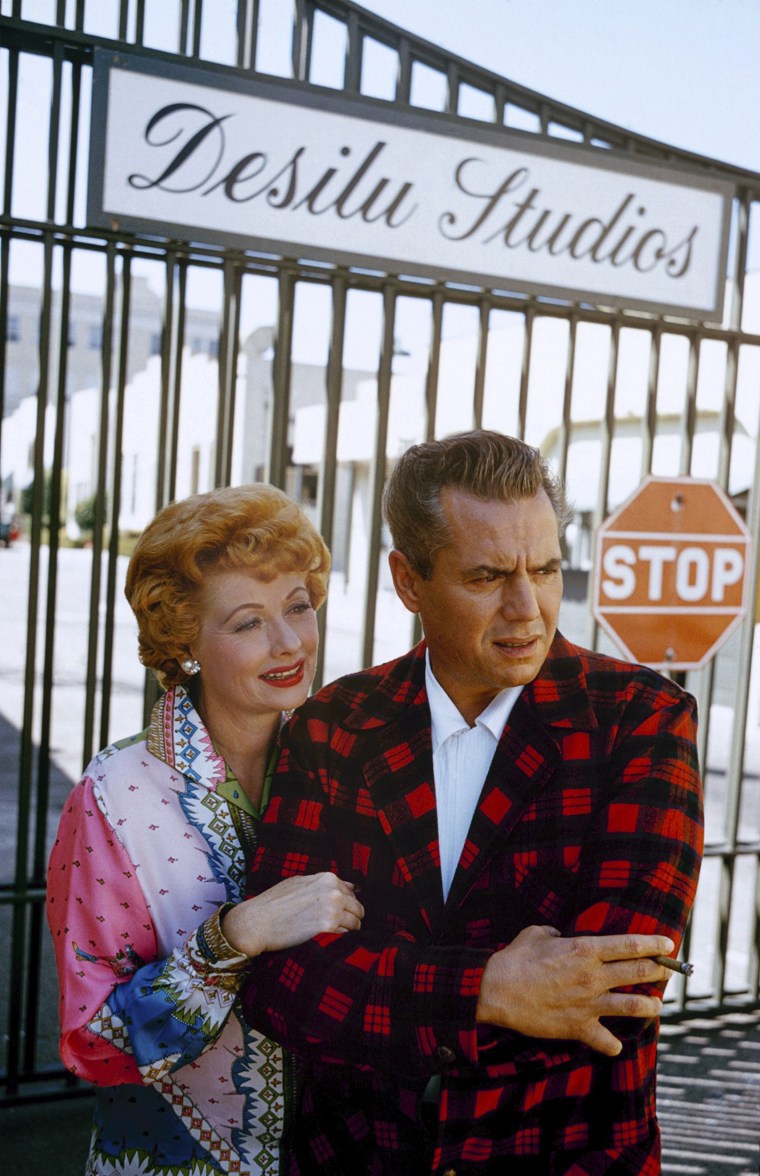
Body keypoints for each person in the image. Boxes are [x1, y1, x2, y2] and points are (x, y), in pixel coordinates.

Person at [239, 431, 704, 1175]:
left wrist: (390, 988)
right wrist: (490, 986)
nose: (528, 609)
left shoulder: (641, 720)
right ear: (409, 581)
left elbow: (613, 991)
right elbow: (282, 986)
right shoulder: (336, 724)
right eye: (487, 576)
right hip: (357, 1159)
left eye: (548, 569)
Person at [46, 484, 364, 1176]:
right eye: (248, 622)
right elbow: (93, 1043)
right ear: (183, 640)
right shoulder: (113, 798)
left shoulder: (344, 766)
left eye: (298, 606)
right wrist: (234, 938)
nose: (288, 642)